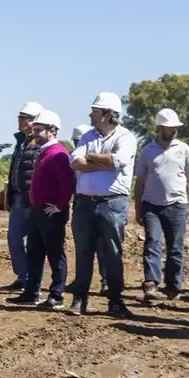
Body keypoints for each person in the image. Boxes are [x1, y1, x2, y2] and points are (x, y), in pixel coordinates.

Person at [68, 92, 137, 318]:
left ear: (107, 115)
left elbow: (118, 161)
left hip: (112, 204)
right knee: (83, 251)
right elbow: (75, 161)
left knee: (113, 252)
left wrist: (93, 158)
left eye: (95, 111)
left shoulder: (126, 137)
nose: (90, 114)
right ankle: (80, 299)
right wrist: (102, 161)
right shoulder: (88, 136)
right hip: (85, 203)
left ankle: (116, 300)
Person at [8, 110, 74, 310]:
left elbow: (68, 183)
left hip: (49, 213)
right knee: (34, 252)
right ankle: (31, 292)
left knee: (54, 253)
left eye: (38, 130)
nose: (34, 133)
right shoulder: (43, 151)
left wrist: (59, 206)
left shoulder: (58, 154)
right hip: (37, 211)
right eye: (34, 129)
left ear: (52, 131)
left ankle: (57, 295)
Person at [133, 108, 189, 304]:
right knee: (152, 242)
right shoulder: (147, 151)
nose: (174, 131)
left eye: (175, 127)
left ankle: (173, 285)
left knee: (175, 247)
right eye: (170, 128)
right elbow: (140, 180)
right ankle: (151, 284)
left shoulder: (183, 148)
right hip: (151, 205)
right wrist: (138, 206)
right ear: (160, 128)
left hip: (177, 205)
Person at [4, 101, 44, 291]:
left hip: (32, 198)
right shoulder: (21, 142)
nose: (20, 121)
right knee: (14, 238)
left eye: (25, 118)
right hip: (18, 197)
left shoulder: (40, 144)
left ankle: (33, 280)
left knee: (35, 242)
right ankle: (23, 276)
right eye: (20, 117)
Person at [71, 122, 109, 295]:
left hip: (99, 201)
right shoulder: (75, 156)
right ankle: (81, 282)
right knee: (83, 247)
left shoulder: (97, 153)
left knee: (103, 246)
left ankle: (106, 281)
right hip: (81, 201)